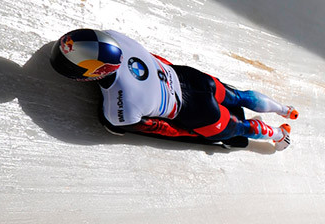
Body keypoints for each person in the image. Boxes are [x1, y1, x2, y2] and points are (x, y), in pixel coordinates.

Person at [50, 28, 297, 150]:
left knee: (239, 129)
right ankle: (285, 109)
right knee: (239, 96)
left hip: (196, 112)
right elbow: (154, 57)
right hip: (192, 78)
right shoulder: (115, 36)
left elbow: (162, 129)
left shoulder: (119, 107)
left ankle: (278, 135)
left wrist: (198, 135)